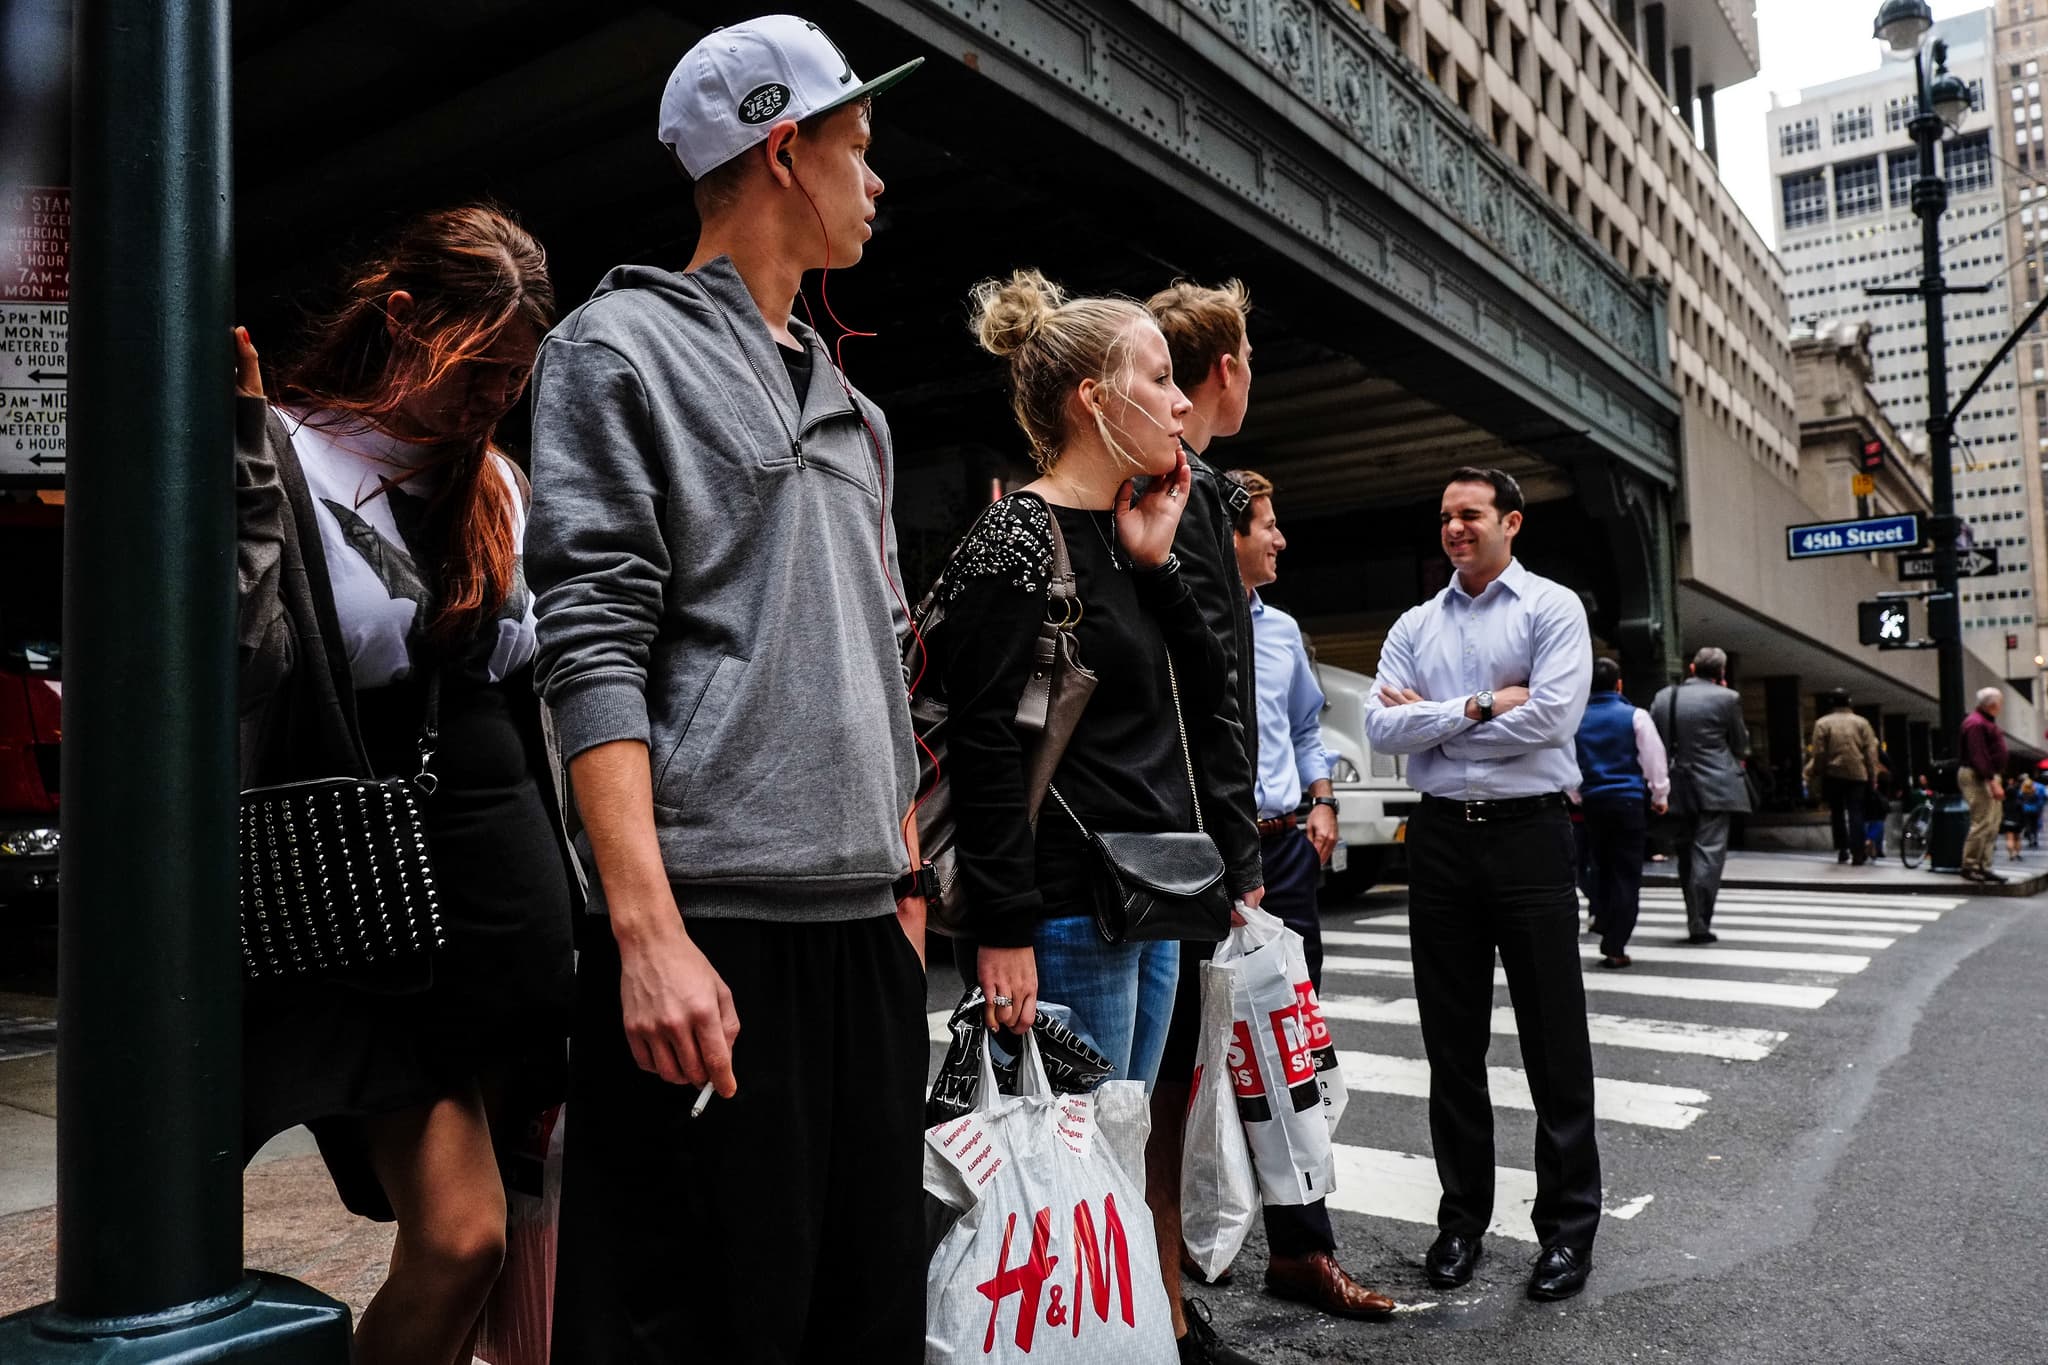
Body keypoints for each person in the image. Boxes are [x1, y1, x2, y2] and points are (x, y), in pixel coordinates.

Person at [524, 19, 931, 1359]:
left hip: (863, 940)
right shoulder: (615, 348)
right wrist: (644, 937)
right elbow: (591, 646)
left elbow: (879, 648)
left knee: (862, 1316)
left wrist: (906, 888)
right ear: (783, 148)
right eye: (857, 147)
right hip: (712, 937)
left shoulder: (858, 412)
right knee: (701, 1328)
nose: (876, 179)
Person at [234, 205, 577, 1365]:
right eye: (479, 366)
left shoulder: (498, 488)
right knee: (462, 1239)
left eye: (515, 376)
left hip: (500, 936)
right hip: (374, 921)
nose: (496, 397)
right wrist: (233, 464)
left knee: (504, 1248)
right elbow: (245, 663)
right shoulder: (286, 452)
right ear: (400, 319)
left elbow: (541, 694)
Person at [931, 269, 1264, 1364]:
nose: (1179, 405)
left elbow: (1207, 689)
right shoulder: (1017, 539)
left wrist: (1160, 567)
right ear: (1091, 398)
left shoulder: (1128, 533)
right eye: (1157, 379)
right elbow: (978, 740)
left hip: (1153, 892)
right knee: (1065, 1179)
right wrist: (1004, 927)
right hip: (1070, 911)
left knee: (1110, 1172)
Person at [1364, 467, 1600, 1303]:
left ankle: (1567, 1232)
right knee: (1451, 1045)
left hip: (1529, 836)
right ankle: (1461, 1219)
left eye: (1470, 515)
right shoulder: (1414, 621)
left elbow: (1553, 718)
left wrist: (1436, 729)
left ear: (1511, 522)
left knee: (1553, 1041)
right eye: (1445, 518)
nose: (1455, 529)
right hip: (1439, 845)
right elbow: (1382, 726)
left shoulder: (1552, 608)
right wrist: (1473, 709)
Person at [1213, 467, 1396, 1317]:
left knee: (1290, 1060)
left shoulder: (1282, 630)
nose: (1282, 538)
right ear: (1230, 534)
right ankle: (1177, 1246)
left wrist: (1322, 800)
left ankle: (1301, 1246)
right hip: (1209, 860)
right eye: (1268, 525)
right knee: (1201, 1059)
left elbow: (1300, 729)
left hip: (1284, 854)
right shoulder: (1191, 617)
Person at [1137, 278, 1279, 1363]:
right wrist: (1241, 855)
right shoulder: (1188, 494)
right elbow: (1209, 696)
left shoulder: (1173, 486)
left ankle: (1161, 1304)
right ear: (1221, 369)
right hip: (1175, 840)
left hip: (1161, 830)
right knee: (1163, 1088)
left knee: (1158, 1087)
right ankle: (1165, 1315)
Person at [1572, 657, 1669, 968]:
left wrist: (1576, 796)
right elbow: (1653, 757)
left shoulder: (1576, 719)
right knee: (1626, 872)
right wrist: (1660, 794)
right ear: (1619, 684)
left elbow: (1567, 763)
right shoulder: (1635, 716)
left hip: (1592, 803)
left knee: (1598, 865)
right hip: (1628, 801)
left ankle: (1602, 915)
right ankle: (1615, 944)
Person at [1650, 647, 1752, 944]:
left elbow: (1656, 743)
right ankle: (1700, 920)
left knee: (1685, 853)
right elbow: (1741, 745)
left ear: (1692, 668)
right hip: (1716, 786)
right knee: (1708, 853)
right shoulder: (1728, 698)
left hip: (1677, 784)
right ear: (1721, 672)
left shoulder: (1664, 697)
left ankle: (1693, 913)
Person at [1803, 690, 1880, 866]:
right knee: (1856, 812)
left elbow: (1819, 752)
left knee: (1837, 812)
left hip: (1833, 773)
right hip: (1857, 774)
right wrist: (1872, 775)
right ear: (1849, 703)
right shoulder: (1862, 723)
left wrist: (1818, 771)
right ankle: (1858, 851)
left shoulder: (1822, 723)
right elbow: (1870, 752)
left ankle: (1842, 849)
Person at [1958, 688, 2009, 885]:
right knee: (1983, 821)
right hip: (1978, 775)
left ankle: (1982, 865)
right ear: (1993, 704)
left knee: (1992, 822)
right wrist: (1992, 781)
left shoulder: (1980, 722)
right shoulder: (1976, 724)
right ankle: (1971, 865)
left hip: (1984, 774)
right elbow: (1978, 755)